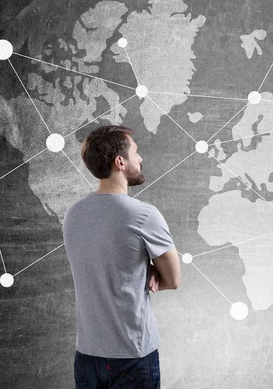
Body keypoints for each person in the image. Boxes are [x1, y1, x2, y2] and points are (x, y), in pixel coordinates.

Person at [63, 124, 181, 389]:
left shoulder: (73, 214)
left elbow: (104, 261)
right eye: (135, 153)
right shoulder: (144, 215)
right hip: (132, 356)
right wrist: (151, 267)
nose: (140, 159)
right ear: (120, 162)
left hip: (87, 356)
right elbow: (173, 280)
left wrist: (143, 266)